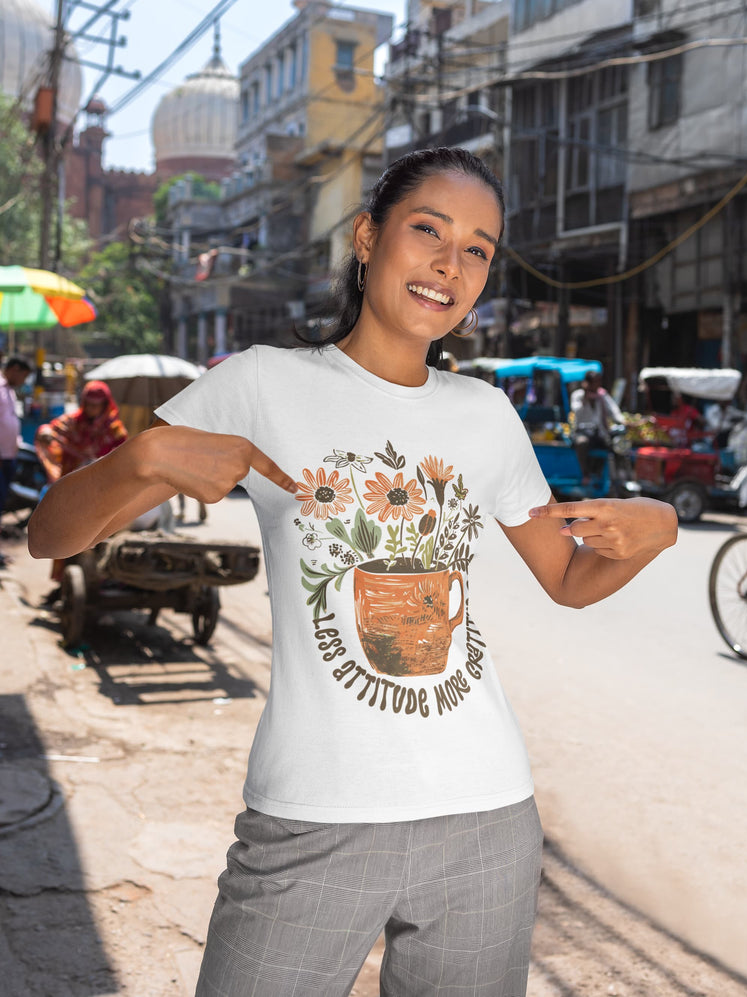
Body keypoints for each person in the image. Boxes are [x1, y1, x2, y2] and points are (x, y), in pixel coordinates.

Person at [28, 148, 677, 997]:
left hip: (486, 819)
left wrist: (657, 529)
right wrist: (138, 460)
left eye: (477, 249)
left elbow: (568, 578)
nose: (450, 264)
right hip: (310, 820)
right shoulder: (262, 383)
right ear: (368, 237)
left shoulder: (486, 413)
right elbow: (51, 534)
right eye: (428, 230)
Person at [34, 380, 128, 598]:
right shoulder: (73, 423)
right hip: (72, 493)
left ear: (105, 405)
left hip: (103, 496)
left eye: (97, 405)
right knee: (65, 536)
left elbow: (124, 457)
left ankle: (101, 580)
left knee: (99, 537)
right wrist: (45, 432)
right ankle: (64, 585)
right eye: (89, 404)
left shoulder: (115, 430)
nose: (93, 409)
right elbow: (50, 428)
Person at [0, 355, 32, 559]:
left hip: (8, 455)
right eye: (23, 376)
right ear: (14, 369)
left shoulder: (9, 391)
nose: (23, 381)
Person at [570, 370, 624, 482]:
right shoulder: (578, 395)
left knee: (617, 446)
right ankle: (585, 473)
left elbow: (614, 411)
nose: (598, 384)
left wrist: (623, 421)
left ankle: (617, 477)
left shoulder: (602, 396)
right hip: (583, 432)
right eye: (595, 382)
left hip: (599, 432)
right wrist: (586, 397)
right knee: (581, 443)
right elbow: (576, 411)